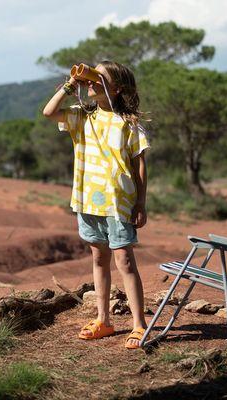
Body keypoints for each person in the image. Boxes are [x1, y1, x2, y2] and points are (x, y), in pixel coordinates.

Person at [43, 61, 150, 349]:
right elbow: (49, 112)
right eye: (92, 76)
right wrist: (69, 85)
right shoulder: (82, 116)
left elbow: (140, 164)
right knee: (98, 259)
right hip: (88, 201)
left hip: (119, 203)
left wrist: (141, 202)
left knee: (124, 261)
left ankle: (140, 324)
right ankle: (104, 319)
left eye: (98, 77)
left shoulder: (128, 123)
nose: (91, 81)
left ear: (116, 88)